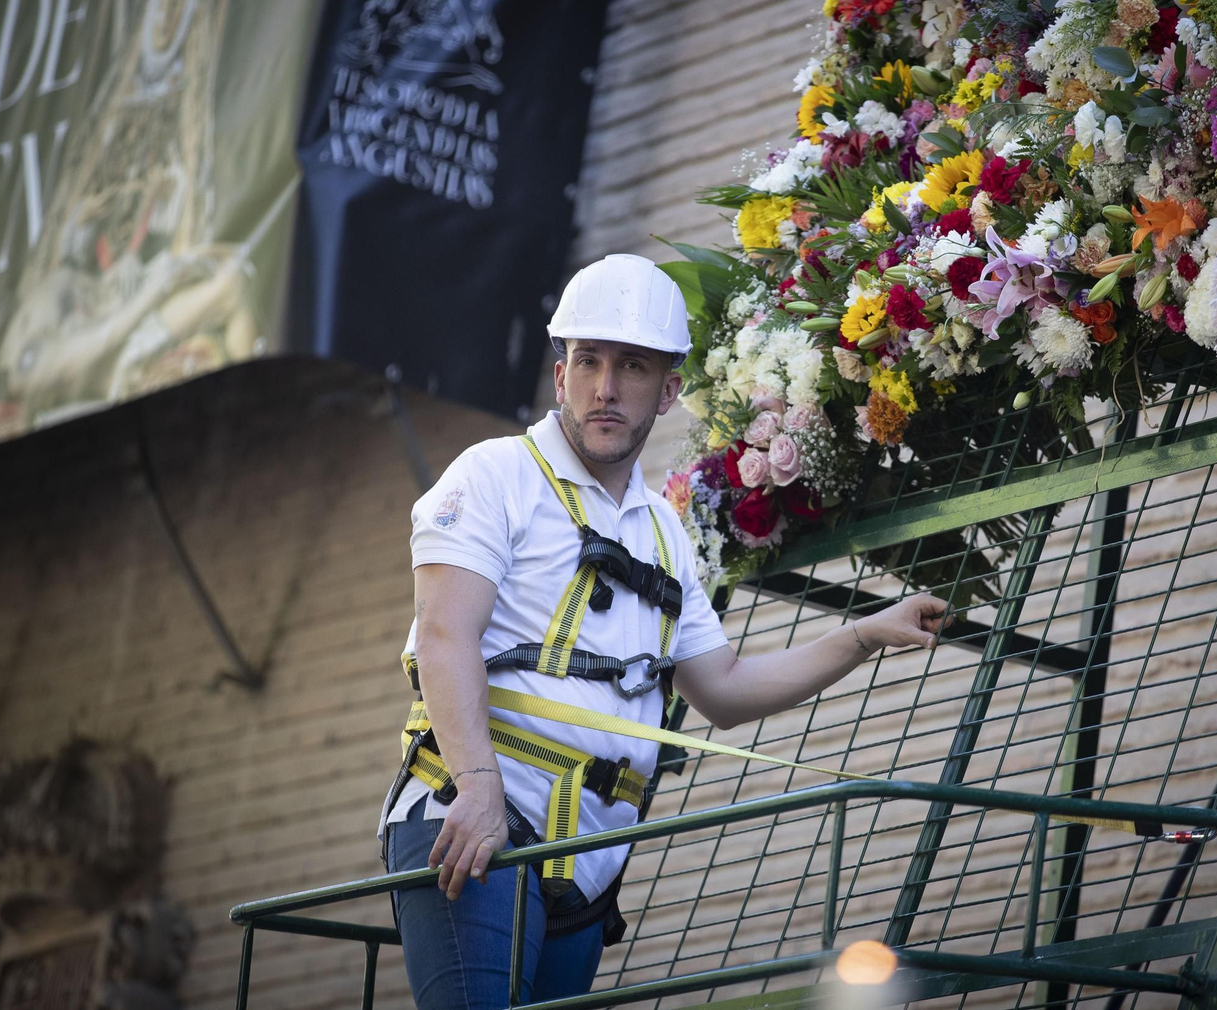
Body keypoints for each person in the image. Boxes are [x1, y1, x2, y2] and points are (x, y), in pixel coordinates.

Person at [378, 253, 951, 1008]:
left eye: (634, 367)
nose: (606, 388)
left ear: (670, 390)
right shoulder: (493, 476)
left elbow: (726, 689)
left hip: (586, 865)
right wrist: (480, 789)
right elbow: (445, 635)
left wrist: (865, 634)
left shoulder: (662, 531)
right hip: (473, 821)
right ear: (560, 377)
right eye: (587, 361)